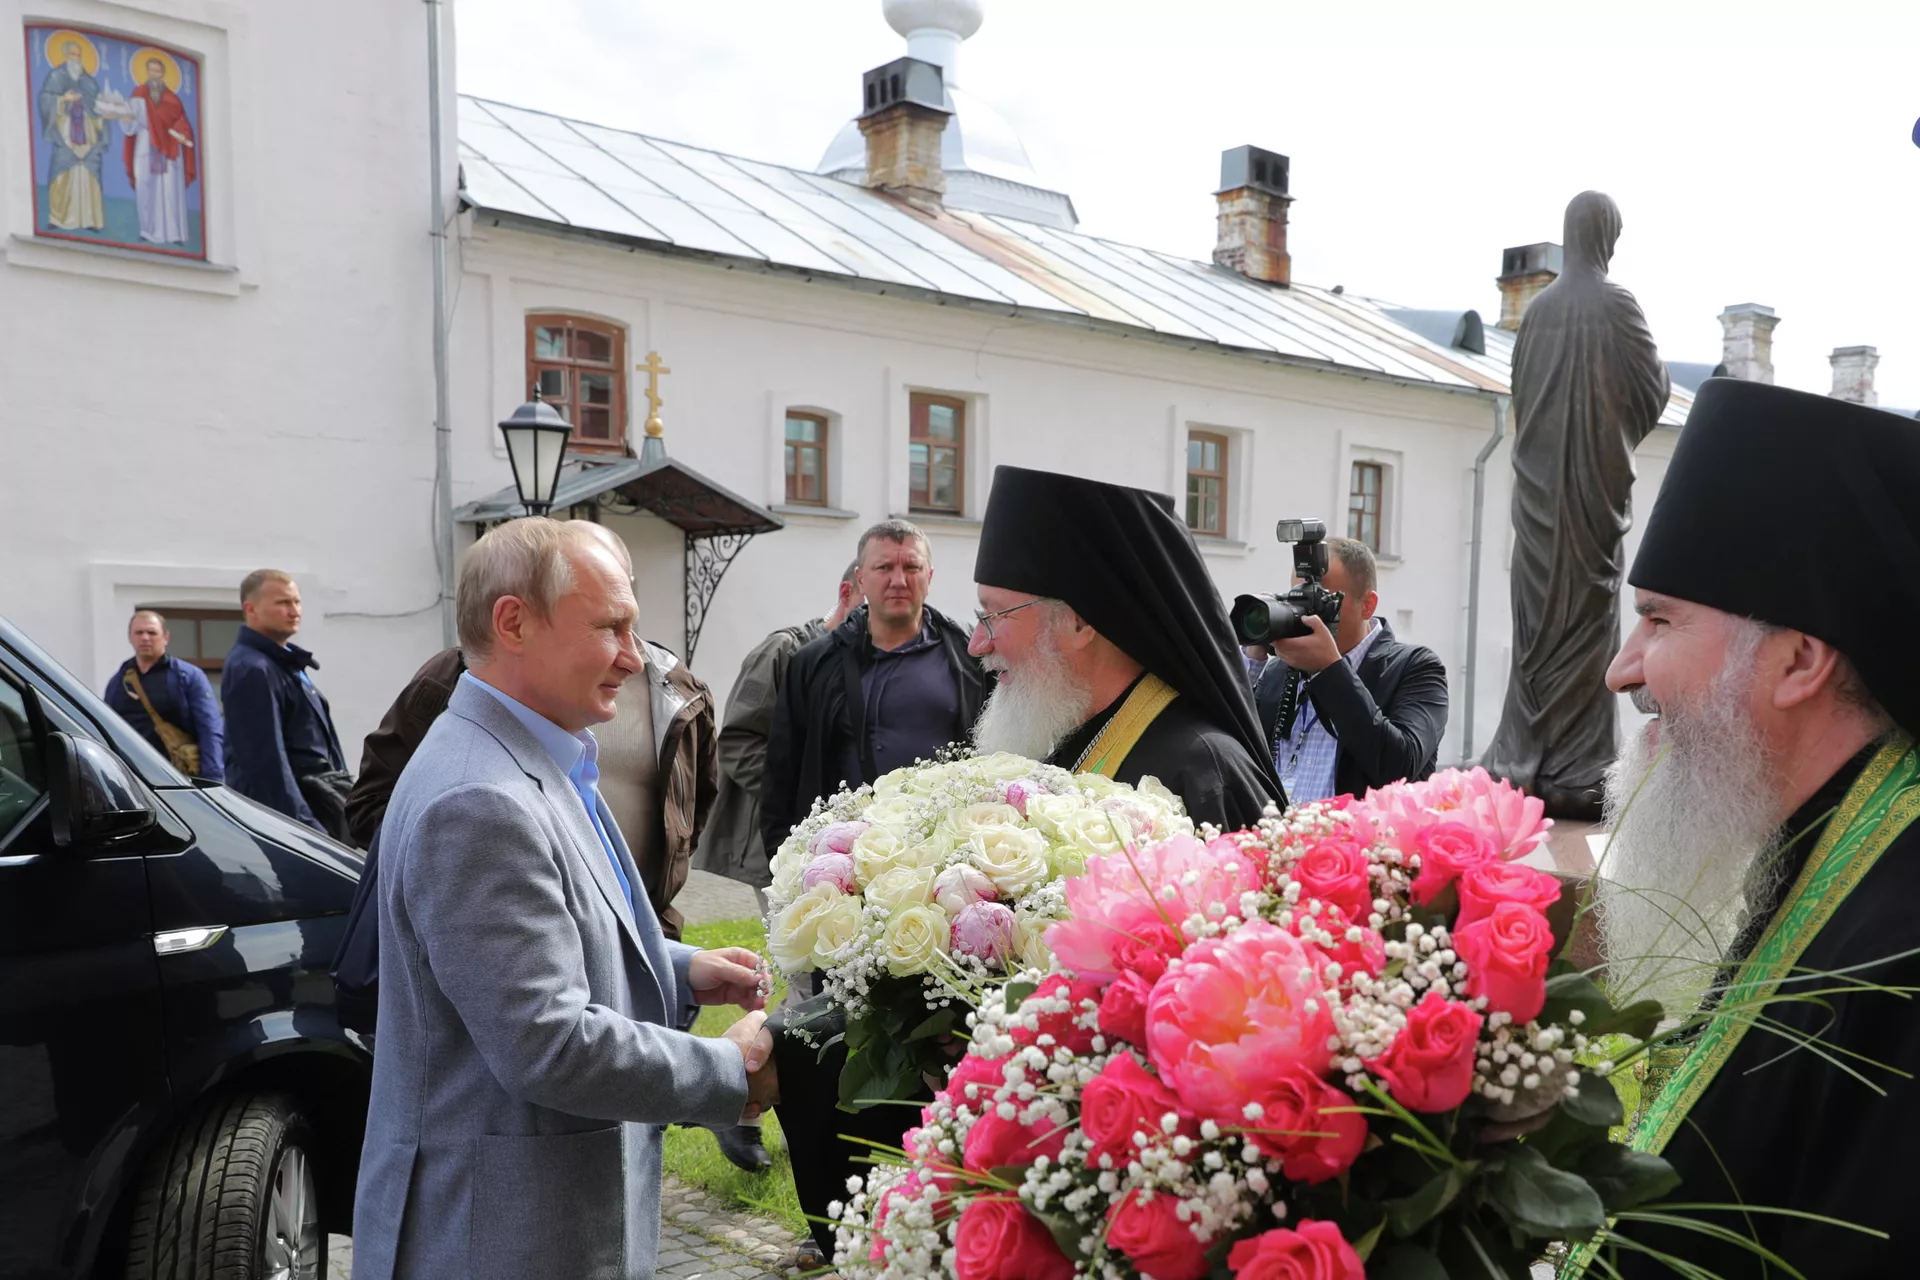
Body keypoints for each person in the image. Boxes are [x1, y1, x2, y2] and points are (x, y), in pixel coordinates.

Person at [351, 517, 777, 1280]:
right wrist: (729, 1073)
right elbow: (546, 1042)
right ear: (513, 622)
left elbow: (547, 936)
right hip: (499, 1240)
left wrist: (678, 968)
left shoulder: (534, 752)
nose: (633, 657)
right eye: (610, 626)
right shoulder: (479, 799)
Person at [1588, 379, 1920, 1279]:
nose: (1624, 672)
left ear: (1800, 660)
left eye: (1659, 620)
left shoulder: (1901, 949)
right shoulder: (1825, 844)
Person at [968, 465, 1285, 829]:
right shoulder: (1060, 732)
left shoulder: (1204, 771)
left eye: (996, 615)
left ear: (1080, 623)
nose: (976, 645)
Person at [759, 521, 987, 858]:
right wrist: (783, 858)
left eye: (912, 567)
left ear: (930, 577)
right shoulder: (815, 664)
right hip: (844, 859)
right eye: (884, 568)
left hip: (946, 854)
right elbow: (782, 774)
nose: (899, 580)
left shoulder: (970, 659)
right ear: (861, 579)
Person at [695, 561, 863, 912]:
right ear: (847, 594)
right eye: (872, 604)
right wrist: (803, 795)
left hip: (848, 844)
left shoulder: (868, 662)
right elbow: (737, 743)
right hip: (780, 845)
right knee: (800, 957)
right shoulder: (784, 651)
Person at [1250, 537, 1449, 802]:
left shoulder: (1415, 667)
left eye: (1320, 601)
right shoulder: (1280, 671)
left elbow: (1399, 768)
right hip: (1278, 840)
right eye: (1297, 600)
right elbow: (1230, 750)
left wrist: (1329, 670)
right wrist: (1253, 659)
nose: (1307, 615)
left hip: (1358, 841)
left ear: (1368, 605)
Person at [222, 570, 352, 839]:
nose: (294, 611)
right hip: (288, 826)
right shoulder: (252, 668)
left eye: (297, 602)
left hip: (317, 808)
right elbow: (266, 766)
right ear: (251, 609)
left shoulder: (285, 663)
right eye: (283, 603)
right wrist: (308, 832)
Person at [103, 609, 223, 780]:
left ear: (165, 637)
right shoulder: (119, 681)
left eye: (152, 632)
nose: (145, 637)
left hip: (180, 777)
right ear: (131, 637)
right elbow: (107, 729)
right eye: (139, 632)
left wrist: (213, 781)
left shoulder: (187, 676)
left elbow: (209, 728)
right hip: (133, 777)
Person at [117, 54, 196, 245]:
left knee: (169, 192)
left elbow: (182, 123)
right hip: (145, 146)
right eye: (151, 70)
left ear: (163, 74)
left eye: (158, 71)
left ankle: (173, 233)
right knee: (145, 187)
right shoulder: (139, 95)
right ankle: (147, 230)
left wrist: (181, 133)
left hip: (169, 151)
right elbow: (131, 125)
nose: (154, 74)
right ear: (147, 72)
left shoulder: (173, 100)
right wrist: (125, 117)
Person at [36, 37, 106, 232]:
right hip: (65, 131)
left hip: (87, 133)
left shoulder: (89, 82)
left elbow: (97, 107)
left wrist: (103, 116)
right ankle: (57, 218)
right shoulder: (56, 76)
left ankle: (90, 219)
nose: (76, 59)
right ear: (65, 55)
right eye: (72, 54)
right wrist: (62, 99)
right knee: (61, 173)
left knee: (88, 174)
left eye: (78, 55)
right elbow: (44, 99)